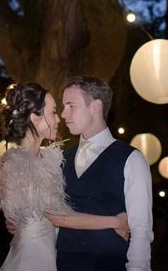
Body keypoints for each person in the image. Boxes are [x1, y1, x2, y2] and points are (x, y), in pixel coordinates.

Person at [0, 82, 129, 271]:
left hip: (55, 254)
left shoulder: (50, 158)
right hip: (32, 259)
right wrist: (116, 222)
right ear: (35, 117)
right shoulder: (16, 162)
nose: (59, 119)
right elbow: (59, 217)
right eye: (53, 112)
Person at [58, 75, 153, 271]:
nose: (63, 114)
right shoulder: (61, 158)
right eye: (63, 106)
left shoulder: (131, 159)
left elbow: (141, 229)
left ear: (96, 106)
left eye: (71, 106)